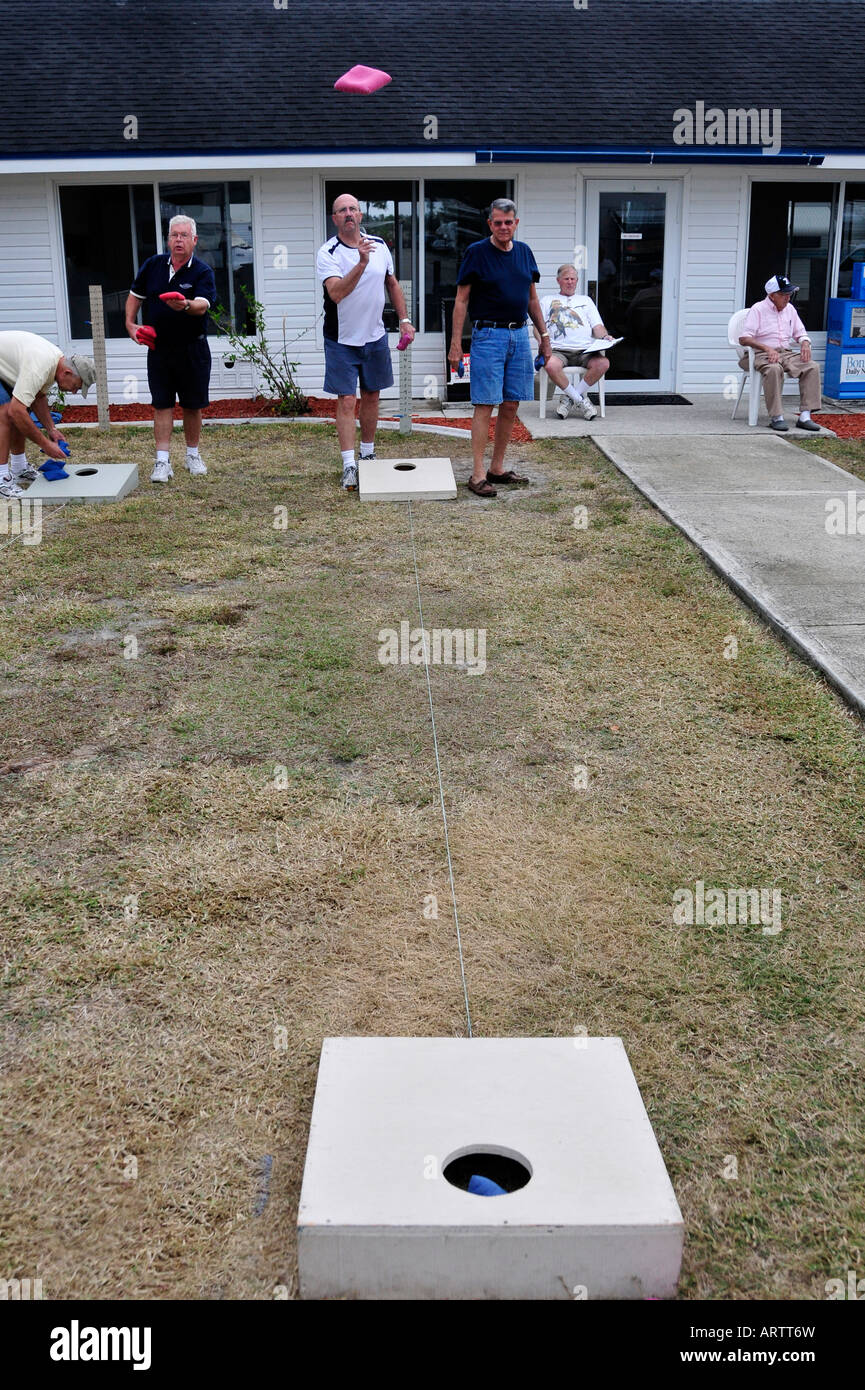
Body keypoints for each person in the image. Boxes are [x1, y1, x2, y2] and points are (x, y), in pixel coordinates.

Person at [448, 198, 550, 497]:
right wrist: (456, 345)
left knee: (511, 403)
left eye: (508, 222)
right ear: (490, 224)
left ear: (515, 223)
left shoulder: (524, 253)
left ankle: (497, 467)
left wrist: (544, 337)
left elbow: (532, 299)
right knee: (485, 403)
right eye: (497, 222)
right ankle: (477, 474)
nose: (503, 227)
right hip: (488, 336)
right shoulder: (476, 253)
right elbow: (461, 301)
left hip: (519, 336)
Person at [316, 193, 415, 491]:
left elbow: (392, 283)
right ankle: (348, 465)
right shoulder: (328, 253)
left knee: (372, 396)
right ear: (334, 219)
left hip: (375, 336)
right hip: (342, 339)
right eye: (341, 210)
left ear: (360, 215)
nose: (348, 214)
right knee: (347, 399)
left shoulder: (380, 246)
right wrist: (360, 263)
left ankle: (368, 455)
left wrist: (405, 319)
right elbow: (336, 293)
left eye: (352, 209)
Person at [125, 216, 218, 483]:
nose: (178, 240)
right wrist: (130, 326)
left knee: (193, 405)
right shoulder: (153, 265)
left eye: (184, 235)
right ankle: (162, 462)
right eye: (174, 235)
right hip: (159, 349)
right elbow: (135, 296)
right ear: (168, 239)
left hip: (193, 349)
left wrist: (184, 305)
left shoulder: (202, 272)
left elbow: (202, 305)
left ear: (194, 240)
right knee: (162, 404)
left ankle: (192, 455)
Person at [0, 331, 96, 499]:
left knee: (23, 408)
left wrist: (51, 429)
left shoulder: (54, 364)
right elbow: (16, 411)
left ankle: (19, 468)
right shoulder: (41, 365)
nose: (74, 391)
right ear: (66, 373)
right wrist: (45, 444)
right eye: (77, 386)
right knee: (8, 413)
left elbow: (38, 397)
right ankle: (1, 478)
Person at [738, 274, 822, 431]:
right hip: (760, 353)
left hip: (785, 353)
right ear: (771, 295)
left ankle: (805, 416)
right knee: (774, 369)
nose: (787, 298)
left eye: (789, 294)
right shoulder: (758, 309)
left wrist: (804, 342)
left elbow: (800, 332)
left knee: (812, 367)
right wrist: (767, 348)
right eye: (783, 294)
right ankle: (777, 417)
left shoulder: (790, 309)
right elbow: (744, 338)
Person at [535, 265, 616, 420]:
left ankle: (569, 399)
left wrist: (606, 337)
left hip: (585, 351)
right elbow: (537, 328)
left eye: (573, 279)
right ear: (558, 280)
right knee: (550, 364)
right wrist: (542, 343)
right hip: (558, 350)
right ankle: (581, 401)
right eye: (566, 279)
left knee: (603, 363)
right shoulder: (547, 300)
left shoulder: (586, 301)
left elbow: (597, 327)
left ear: (577, 281)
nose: (570, 282)